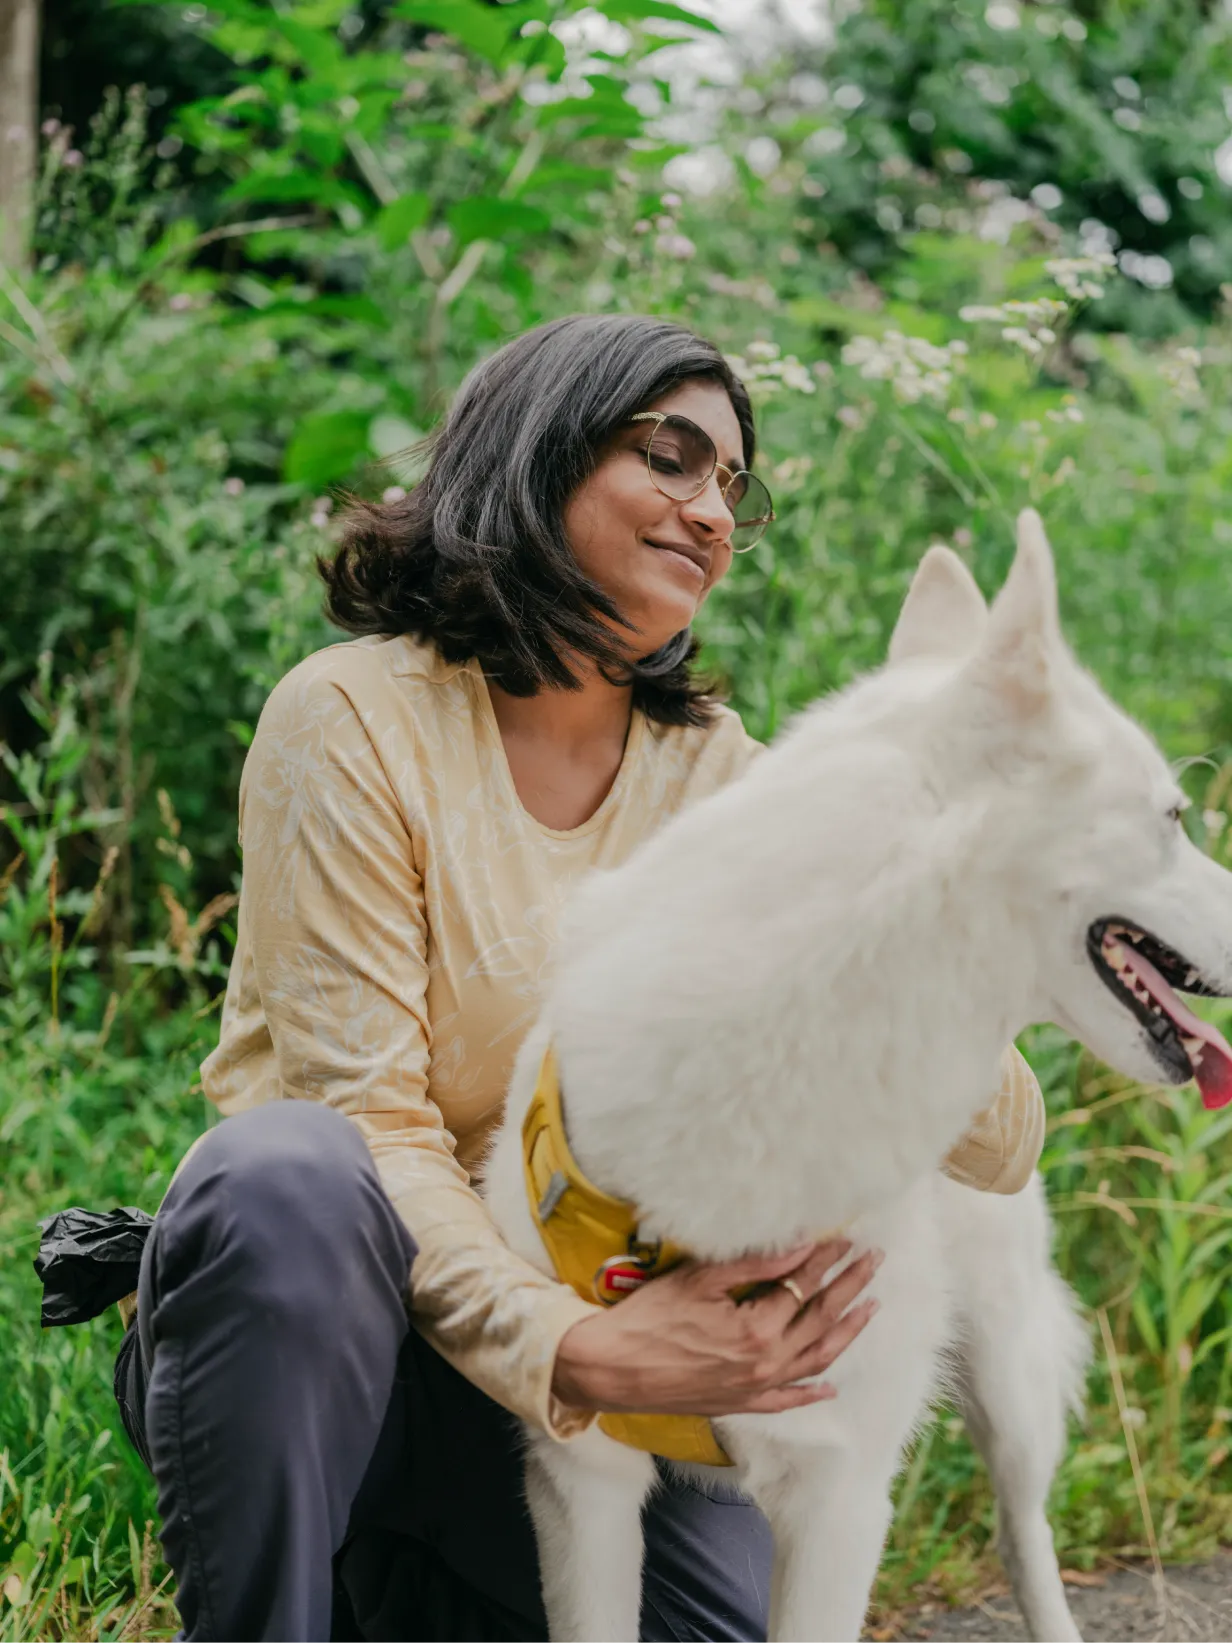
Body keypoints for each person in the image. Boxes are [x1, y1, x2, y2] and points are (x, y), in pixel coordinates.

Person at [112, 313, 1046, 1643]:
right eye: (672, 455)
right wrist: (571, 1345)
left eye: (735, 484)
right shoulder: (356, 716)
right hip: (349, 1357)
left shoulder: (725, 777)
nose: (714, 509)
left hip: (620, 1396)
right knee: (286, 1174)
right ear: (541, 447)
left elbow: (1003, 1145)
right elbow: (365, 1118)